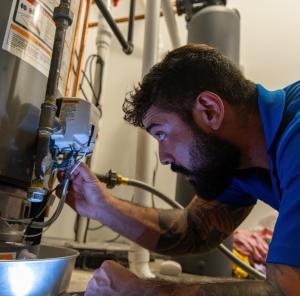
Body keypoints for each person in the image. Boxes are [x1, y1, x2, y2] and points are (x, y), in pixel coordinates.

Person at [66, 44, 300, 295]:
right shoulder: (238, 158)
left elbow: (285, 292)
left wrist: (142, 291)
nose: (164, 157)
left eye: (162, 134)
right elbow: (195, 229)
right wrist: (100, 206)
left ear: (210, 110)